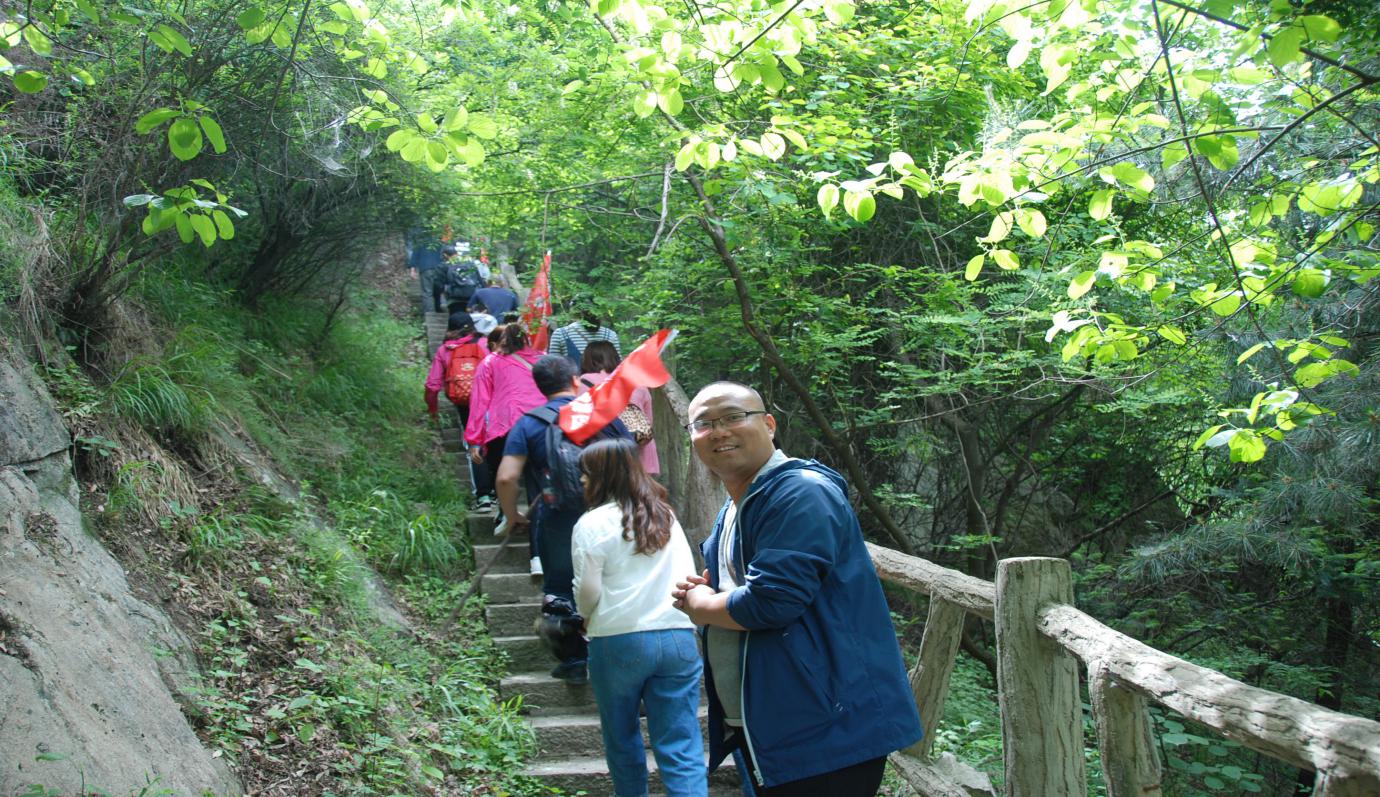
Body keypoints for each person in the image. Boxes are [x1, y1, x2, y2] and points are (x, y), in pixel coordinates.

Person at [672, 381, 922, 796]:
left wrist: (701, 606)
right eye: (704, 423)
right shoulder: (737, 504)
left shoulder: (801, 493)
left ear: (769, 425)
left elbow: (771, 601)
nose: (719, 431)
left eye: (733, 416)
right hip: (776, 722)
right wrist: (712, 591)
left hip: (827, 728)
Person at [573, 438, 706, 797]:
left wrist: (584, 616)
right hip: (677, 635)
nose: (582, 480)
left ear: (603, 477)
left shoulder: (591, 523)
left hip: (618, 639)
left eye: (586, 473)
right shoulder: (666, 515)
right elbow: (688, 572)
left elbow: (588, 591)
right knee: (681, 742)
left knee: (622, 738)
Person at [496, 355, 631, 682]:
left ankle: (574, 661)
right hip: (611, 513)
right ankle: (623, 657)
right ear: (574, 381)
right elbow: (631, 457)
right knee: (616, 578)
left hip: (558, 517)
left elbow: (506, 477)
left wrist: (513, 515)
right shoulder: (601, 413)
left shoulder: (528, 423)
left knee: (561, 586)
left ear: (539, 387)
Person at [465, 325, 546, 560]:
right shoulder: (543, 360)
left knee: (501, 473)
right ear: (526, 339)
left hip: (506, 426)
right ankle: (538, 556)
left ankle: (505, 512)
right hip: (542, 425)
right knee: (538, 489)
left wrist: (475, 439)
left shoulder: (490, 362)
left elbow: (479, 402)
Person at [424, 312, 492, 505]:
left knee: (475, 443)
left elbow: (432, 385)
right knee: (493, 441)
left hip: (464, 403)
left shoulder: (444, 350)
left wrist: (433, 409)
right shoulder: (485, 344)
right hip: (489, 400)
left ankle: (483, 495)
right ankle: (499, 491)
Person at [577, 341, 659, 476]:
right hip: (641, 458)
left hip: (604, 457)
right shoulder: (637, 382)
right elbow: (647, 423)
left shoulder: (583, 383)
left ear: (586, 360)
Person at [548, 307, 620, 364]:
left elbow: (553, 367)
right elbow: (618, 368)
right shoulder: (610, 335)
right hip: (604, 380)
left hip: (571, 378)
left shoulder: (561, 333)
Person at [406, 229, 445, 314]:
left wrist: (412, 271)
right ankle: (438, 308)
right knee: (437, 290)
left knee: (427, 292)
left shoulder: (419, 244)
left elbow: (414, 257)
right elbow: (444, 256)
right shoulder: (439, 243)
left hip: (425, 269)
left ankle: (429, 311)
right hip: (438, 269)